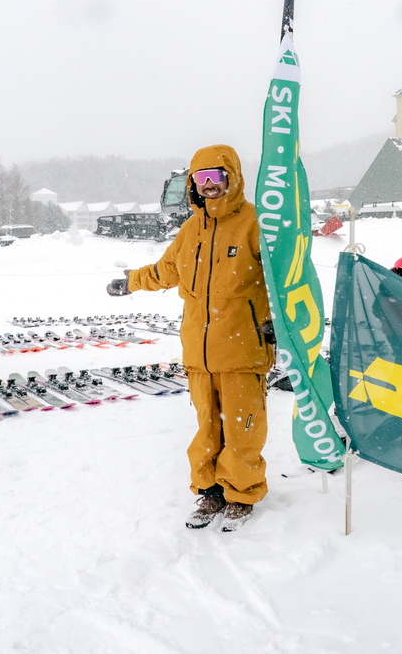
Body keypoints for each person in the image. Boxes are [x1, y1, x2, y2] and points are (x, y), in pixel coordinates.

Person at [106, 145, 274, 531]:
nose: (210, 186)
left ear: (232, 178)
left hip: (244, 346)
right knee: (207, 426)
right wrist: (131, 281)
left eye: (217, 177)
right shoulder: (189, 231)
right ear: (192, 185)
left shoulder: (255, 223)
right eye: (201, 179)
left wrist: (279, 322)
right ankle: (211, 491)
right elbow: (166, 271)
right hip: (198, 351)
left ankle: (242, 494)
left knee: (242, 427)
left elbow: (285, 278)